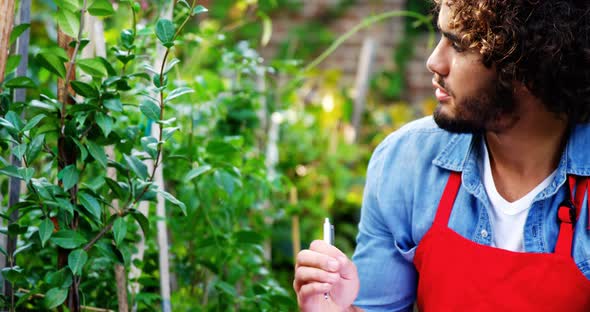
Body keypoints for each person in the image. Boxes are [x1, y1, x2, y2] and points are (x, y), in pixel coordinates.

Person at [293, 0, 590, 311]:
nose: (434, 62)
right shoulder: (407, 161)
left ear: (528, 64)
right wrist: (334, 308)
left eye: (458, 46)